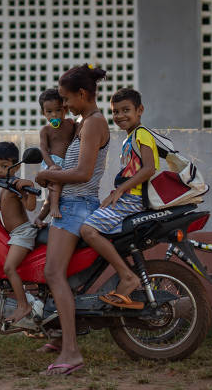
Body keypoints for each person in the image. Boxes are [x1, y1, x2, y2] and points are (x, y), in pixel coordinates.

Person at [34, 64, 109, 376]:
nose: (63, 106)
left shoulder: (92, 123)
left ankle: (71, 353)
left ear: (82, 94)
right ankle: (60, 338)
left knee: (53, 273)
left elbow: (83, 173)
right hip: (72, 203)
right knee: (60, 275)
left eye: (66, 100)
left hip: (76, 205)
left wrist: (45, 173)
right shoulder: (84, 123)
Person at [79, 88, 160, 309]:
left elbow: (149, 169)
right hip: (127, 198)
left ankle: (127, 277)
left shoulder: (142, 134)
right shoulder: (129, 139)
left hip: (132, 200)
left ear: (140, 110)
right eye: (115, 112)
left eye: (126, 110)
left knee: (87, 230)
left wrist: (119, 191)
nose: (120, 116)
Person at [0, 141, 38, 325]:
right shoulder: (4, 185)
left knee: (9, 268)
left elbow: (30, 206)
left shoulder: (16, 184)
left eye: (4, 166)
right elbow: (3, 206)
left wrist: (29, 187)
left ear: (15, 167)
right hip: (15, 234)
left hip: (22, 233)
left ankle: (23, 305)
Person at [36, 88, 75, 221]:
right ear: (43, 113)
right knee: (55, 187)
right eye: (49, 112)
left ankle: (39, 218)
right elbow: (43, 149)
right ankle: (54, 207)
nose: (54, 115)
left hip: (67, 163)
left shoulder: (70, 124)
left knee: (53, 195)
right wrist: (51, 165)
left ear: (65, 109)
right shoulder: (45, 130)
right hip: (53, 163)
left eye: (58, 110)